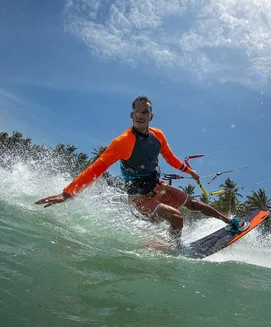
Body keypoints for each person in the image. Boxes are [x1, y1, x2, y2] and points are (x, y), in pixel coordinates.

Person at [35, 96, 246, 246]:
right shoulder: (122, 142)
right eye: (137, 111)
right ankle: (174, 247)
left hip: (157, 187)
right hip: (138, 197)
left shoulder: (158, 135)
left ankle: (230, 222)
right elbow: (96, 168)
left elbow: (170, 158)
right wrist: (67, 193)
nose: (141, 115)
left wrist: (189, 171)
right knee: (177, 217)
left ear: (151, 116)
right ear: (132, 114)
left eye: (145, 111)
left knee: (193, 203)